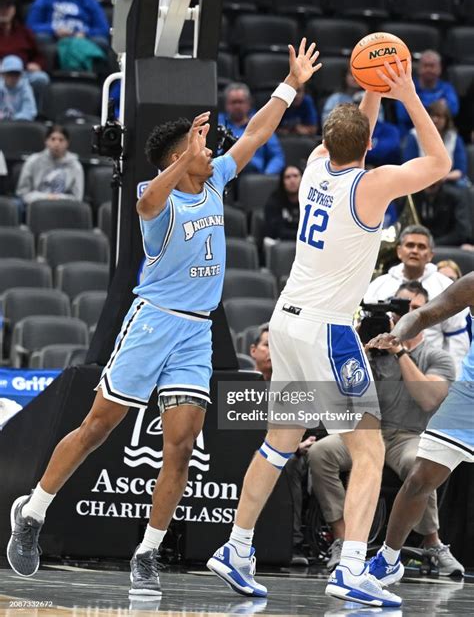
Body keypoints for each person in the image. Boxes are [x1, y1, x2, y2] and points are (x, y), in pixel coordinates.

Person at [6, 38, 321, 596]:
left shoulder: (217, 178)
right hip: (152, 322)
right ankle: (33, 512)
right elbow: (145, 203)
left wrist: (290, 86)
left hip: (195, 332)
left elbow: (257, 133)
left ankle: (148, 550)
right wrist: (182, 158)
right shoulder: (160, 198)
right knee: (99, 426)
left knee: (181, 441)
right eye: (199, 143)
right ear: (180, 155)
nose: (212, 146)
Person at [208, 55, 452, 608]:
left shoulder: (317, 162)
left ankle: (236, 547)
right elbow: (438, 160)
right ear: (367, 148)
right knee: (367, 450)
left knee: (278, 442)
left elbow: (352, 138)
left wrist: (370, 89)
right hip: (328, 332)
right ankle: (349, 568)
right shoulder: (373, 185)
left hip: (287, 322)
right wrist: (405, 92)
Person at [309, 281, 462, 577]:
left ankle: (433, 543)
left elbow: (429, 399)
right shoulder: (372, 347)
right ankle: (343, 538)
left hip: (408, 435)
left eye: (416, 310)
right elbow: (340, 394)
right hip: (368, 433)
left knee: (421, 461)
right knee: (320, 453)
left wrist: (400, 352)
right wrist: (359, 353)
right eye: (402, 308)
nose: (407, 315)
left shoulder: (437, 356)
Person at [367, 273, 474, 587]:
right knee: (419, 478)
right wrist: (397, 335)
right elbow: (423, 314)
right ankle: (387, 560)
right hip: (469, 398)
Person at [249, 322, 316, 567]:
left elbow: (313, 430)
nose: (272, 352)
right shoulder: (235, 385)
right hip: (239, 452)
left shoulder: (298, 386)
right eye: (267, 345)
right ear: (253, 350)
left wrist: (299, 445)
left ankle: (293, 542)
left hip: (288, 454)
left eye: (277, 347)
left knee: (287, 461)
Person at [364, 225, 469, 376]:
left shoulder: (447, 287)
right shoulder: (378, 286)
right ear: (399, 251)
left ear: (431, 254)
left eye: (421, 247)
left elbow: (457, 338)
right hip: (382, 368)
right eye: (410, 245)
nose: (415, 250)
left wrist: (453, 381)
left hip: (430, 368)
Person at [218, 83, 285, 175]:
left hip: (253, 174)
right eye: (233, 102)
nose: (237, 106)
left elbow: (277, 157)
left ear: (248, 103)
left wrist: (266, 176)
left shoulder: (261, 122)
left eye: (240, 102)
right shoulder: (217, 122)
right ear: (226, 104)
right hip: (222, 174)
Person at [403, 100, 469, 187]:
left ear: (446, 120)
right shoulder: (414, 135)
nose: (435, 119)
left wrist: (444, 177)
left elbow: (460, 170)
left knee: (463, 187)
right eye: (432, 115)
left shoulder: (454, 138)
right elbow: (408, 167)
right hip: (420, 181)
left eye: (439, 116)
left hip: (447, 181)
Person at [0, 0, 50, 111]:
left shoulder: (24, 32)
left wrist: (37, 64)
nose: (3, 11)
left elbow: (38, 55)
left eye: (6, 7)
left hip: (22, 73)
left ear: (13, 10)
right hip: (2, 74)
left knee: (41, 78)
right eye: (0, 8)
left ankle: (36, 115)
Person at [27, 0, 109, 49]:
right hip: (54, 39)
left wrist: (85, 34)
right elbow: (31, 26)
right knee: (41, 38)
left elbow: (103, 28)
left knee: (101, 42)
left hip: (83, 39)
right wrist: (54, 30)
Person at [395, 50, 459, 138]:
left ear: (440, 68)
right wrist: (437, 107)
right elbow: (402, 114)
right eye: (425, 65)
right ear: (419, 68)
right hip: (411, 135)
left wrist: (416, 105)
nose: (428, 69)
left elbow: (453, 110)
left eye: (432, 66)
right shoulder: (407, 87)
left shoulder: (446, 88)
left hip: (440, 134)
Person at [16, 124, 84, 204]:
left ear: (67, 143)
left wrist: (57, 198)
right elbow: (22, 193)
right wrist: (46, 197)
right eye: (53, 139)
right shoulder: (33, 161)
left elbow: (77, 198)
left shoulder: (75, 166)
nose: (56, 144)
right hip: (35, 205)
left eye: (61, 140)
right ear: (46, 141)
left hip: (64, 207)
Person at [412, 181, 472, 246]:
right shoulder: (413, 196)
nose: (431, 183)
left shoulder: (455, 196)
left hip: (449, 246)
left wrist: (433, 243)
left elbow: (462, 231)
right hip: (421, 244)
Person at [263, 165, 302, 242]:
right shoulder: (273, 201)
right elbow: (276, 231)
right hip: (280, 242)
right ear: (282, 181)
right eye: (287, 177)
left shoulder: (309, 200)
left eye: (295, 176)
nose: (292, 180)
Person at [0, 55, 37, 121]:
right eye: (10, 73)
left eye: (16, 74)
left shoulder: (25, 88)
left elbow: (29, 112)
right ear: (2, 74)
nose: (13, 77)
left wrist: (12, 119)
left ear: (21, 74)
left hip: (19, 126)